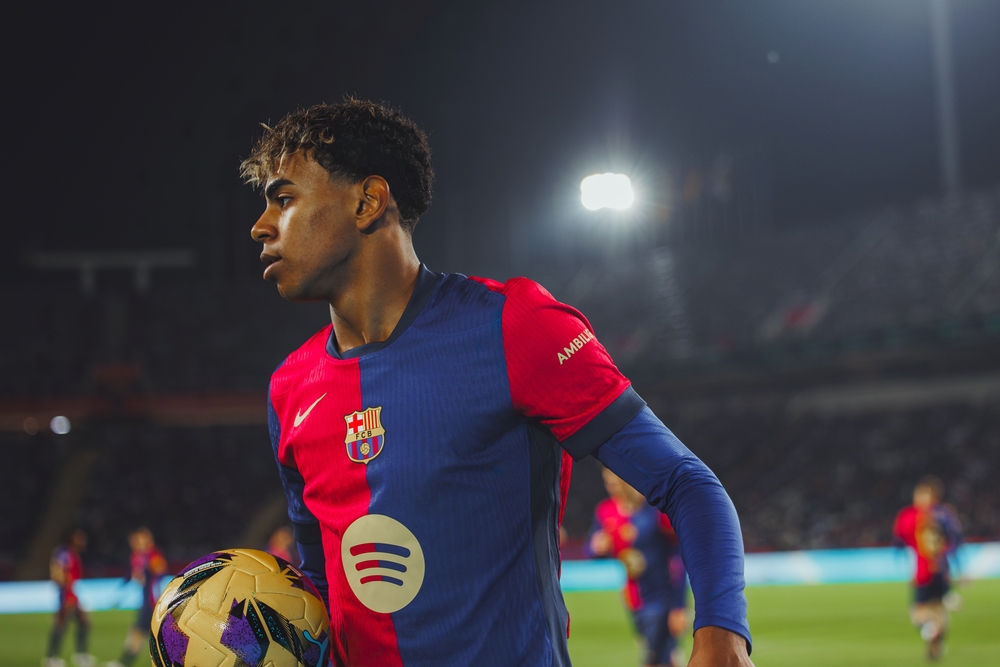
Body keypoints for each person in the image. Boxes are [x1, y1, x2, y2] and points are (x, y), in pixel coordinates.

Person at [242, 99, 753, 667]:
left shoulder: (513, 327)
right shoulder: (290, 388)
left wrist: (722, 632)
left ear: (368, 202)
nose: (261, 226)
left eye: (284, 199)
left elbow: (686, 484)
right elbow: (318, 585)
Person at [589, 467, 689, 667]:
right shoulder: (606, 511)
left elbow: (678, 555)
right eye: (608, 483)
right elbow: (592, 549)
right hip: (633, 598)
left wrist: (679, 605)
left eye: (617, 483)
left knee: (657, 657)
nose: (612, 488)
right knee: (659, 655)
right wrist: (596, 547)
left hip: (662, 597)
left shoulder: (654, 510)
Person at [893, 475, 963, 661]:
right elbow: (955, 541)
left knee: (918, 612)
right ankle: (937, 646)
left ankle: (930, 630)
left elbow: (899, 541)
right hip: (942, 570)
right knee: (939, 609)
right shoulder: (945, 514)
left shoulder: (910, 516)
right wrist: (957, 569)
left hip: (923, 572)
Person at [106, 528, 167, 667]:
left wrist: (149, 571)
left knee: (139, 633)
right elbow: (130, 574)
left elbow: (160, 572)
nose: (133, 543)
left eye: (137, 540)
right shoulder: (138, 556)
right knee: (144, 634)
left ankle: (123, 663)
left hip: (152, 602)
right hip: (147, 602)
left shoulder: (153, 555)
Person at [45, 528, 94, 667]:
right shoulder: (65, 553)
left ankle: (78, 655)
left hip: (71, 593)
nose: (83, 540)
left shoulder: (69, 552)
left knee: (83, 623)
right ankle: (52, 657)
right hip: (67, 595)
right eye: (79, 537)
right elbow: (58, 572)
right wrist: (67, 594)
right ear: (72, 538)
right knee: (61, 624)